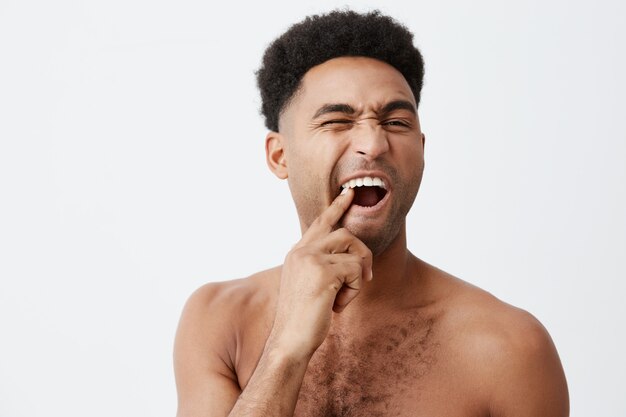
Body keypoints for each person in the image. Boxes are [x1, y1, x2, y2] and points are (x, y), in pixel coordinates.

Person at [173, 10, 569, 417]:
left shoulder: (511, 348)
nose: (373, 143)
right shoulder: (219, 320)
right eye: (338, 121)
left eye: (396, 122)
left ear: (422, 148)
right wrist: (286, 348)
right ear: (279, 155)